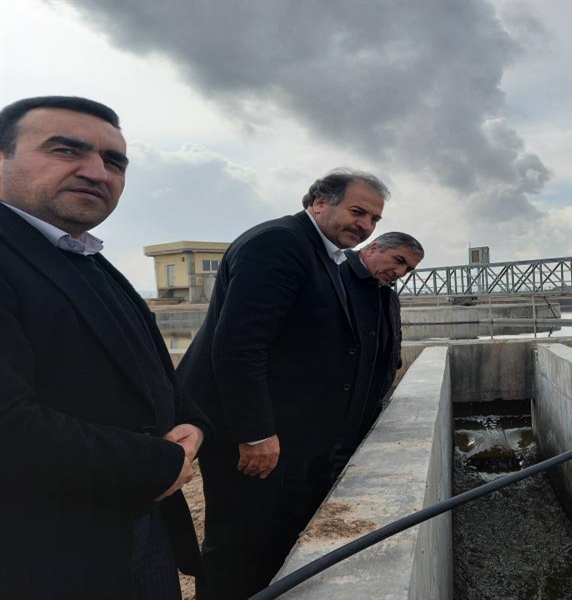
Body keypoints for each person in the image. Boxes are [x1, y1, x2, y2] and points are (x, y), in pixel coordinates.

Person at [0, 96, 210, 599]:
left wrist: (192, 423)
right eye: (65, 150)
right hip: (39, 555)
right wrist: (158, 462)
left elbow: (148, 368)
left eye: (114, 162)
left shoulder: (85, 258)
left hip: (134, 529)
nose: (97, 172)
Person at [177, 169, 412, 599]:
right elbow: (240, 346)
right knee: (240, 540)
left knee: (275, 534)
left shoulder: (322, 253)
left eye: (374, 219)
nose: (365, 225)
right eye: (357, 212)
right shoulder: (279, 243)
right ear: (320, 202)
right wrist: (255, 433)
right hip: (252, 434)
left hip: (287, 430)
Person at [342, 231, 425, 423]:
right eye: (398, 260)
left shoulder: (389, 296)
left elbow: (394, 339)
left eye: (408, 269)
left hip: (368, 409)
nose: (400, 272)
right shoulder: (332, 277)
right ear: (372, 248)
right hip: (327, 415)